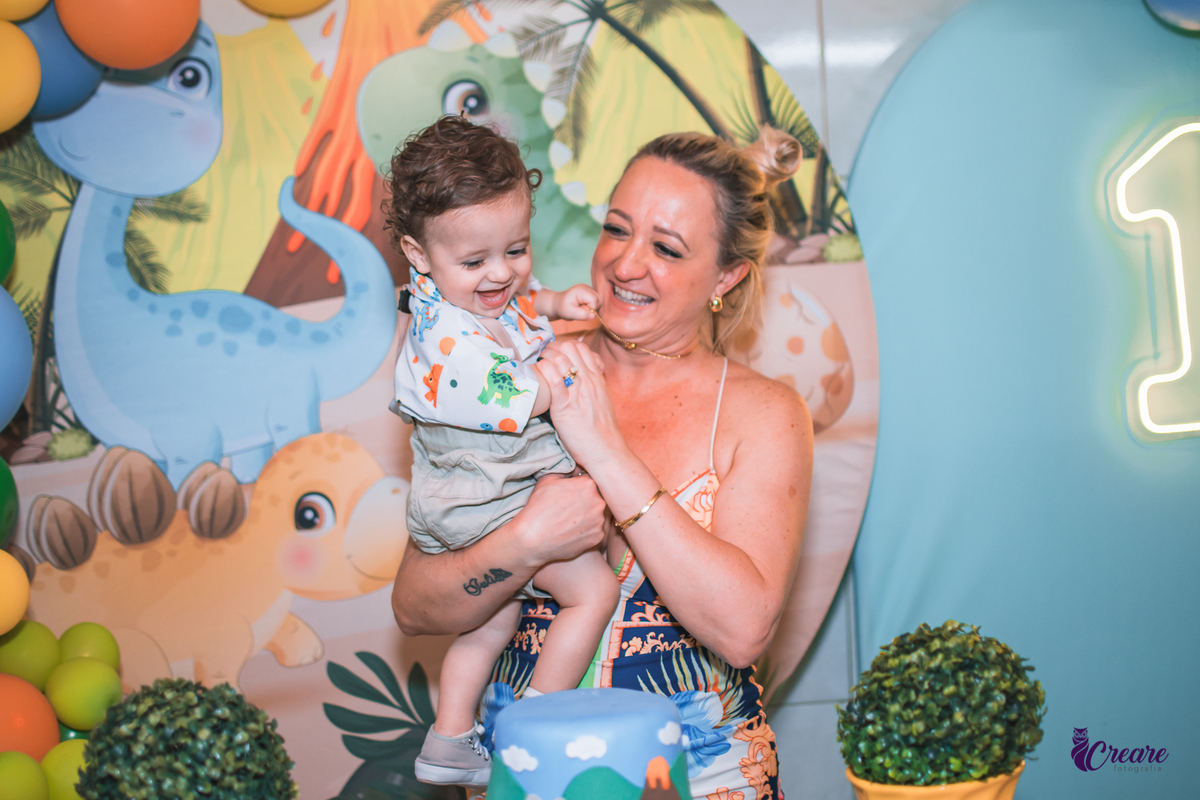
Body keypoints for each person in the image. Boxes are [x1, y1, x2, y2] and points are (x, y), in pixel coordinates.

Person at [392, 126, 813, 799]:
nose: (625, 264)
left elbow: (742, 630)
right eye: (618, 229)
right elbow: (414, 605)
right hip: (524, 780)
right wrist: (524, 542)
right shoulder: (512, 365)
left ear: (726, 277)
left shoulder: (764, 412)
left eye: (667, 248)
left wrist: (603, 448)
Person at [384, 116, 620, 787]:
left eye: (516, 250)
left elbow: (510, 310)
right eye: (476, 260)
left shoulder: (459, 295)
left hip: (469, 497)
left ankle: (450, 737)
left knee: (492, 621)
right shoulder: (444, 342)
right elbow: (520, 392)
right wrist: (564, 371)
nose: (500, 274)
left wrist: (554, 301)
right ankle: (536, 725)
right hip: (484, 497)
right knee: (593, 594)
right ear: (418, 253)